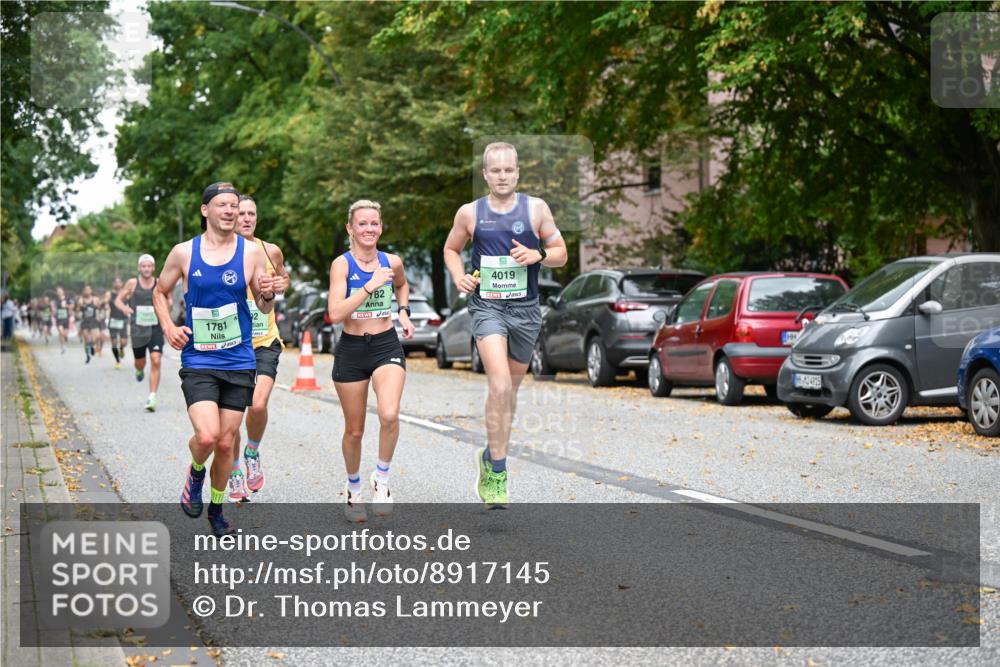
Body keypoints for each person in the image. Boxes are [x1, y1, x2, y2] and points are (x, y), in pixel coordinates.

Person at [443, 142, 568, 507]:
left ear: (517, 172)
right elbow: (451, 249)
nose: (502, 176)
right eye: (495, 170)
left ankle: (489, 455)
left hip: (526, 311)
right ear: (485, 174)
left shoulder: (536, 209)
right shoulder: (470, 213)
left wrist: (538, 255)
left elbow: (560, 253)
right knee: (498, 384)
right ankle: (498, 471)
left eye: (508, 170)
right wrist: (458, 277)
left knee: (508, 393)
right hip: (487, 308)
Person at [154, 182, 275, 537]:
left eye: (234, 206)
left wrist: (267, 294)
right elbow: (160, 292)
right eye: (222, 205)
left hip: (239, 361)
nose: (230, 211)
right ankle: (195, 473)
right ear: (205, 210)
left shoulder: (250, 253)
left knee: (226, 442)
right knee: (206, 437)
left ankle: (217, 509)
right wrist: (168, 327)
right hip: (200, 361)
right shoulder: (184, 252)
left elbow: (263, 304)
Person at [327, 199, 414, 522]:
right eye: (362, 223)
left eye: (374, 223)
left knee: (389, 414)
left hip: (385, 344)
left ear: (381, 227)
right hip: (351, 349)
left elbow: (402, 285)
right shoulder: (342, 265)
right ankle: (353, 489)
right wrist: (369, 285)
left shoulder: (391, 261)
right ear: (350, 228)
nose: (369, 229)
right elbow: (335, 313)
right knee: (354, 430)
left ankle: (383, 479)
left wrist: (403, 312)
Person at [227, 194, 289, 501]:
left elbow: (283, 277)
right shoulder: (223, 253)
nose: (247, 218)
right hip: (231, 346)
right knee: (233, 416)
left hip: (265, 341)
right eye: (241, 214)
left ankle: (252, 452)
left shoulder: (270, 250)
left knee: (259, 403)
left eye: (252, 213)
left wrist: (280, 285)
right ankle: (235, 471)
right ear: (231, 218)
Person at [116, 255, 165, 411]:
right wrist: (125, 308)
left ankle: (152, 397)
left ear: (153, 267)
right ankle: (139, 369)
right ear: (139, 268)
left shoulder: (159, 283)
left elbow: (167, 299)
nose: (146, 269)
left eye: (149, 266)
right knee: (141, 362)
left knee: (156, 360)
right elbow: (118, 300)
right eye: (143, 266)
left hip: (155, 328)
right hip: (138, 329)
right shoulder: (132, 283)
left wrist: (166, 314)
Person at [107, 278, 129, 369]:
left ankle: (122, 348)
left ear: (122, 283)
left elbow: (130, 303)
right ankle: (117, 361)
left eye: (119, 282)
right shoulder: (109, 294)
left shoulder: (125, 294)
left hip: (123, 320)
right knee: (114, 342)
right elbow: (105, 304)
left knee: (124, 342)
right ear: (113, 284)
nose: (117, 284)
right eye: (115, 282)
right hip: (113, 320)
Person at [75, 285, 101, 363]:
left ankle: (92, 346)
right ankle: (87, 356)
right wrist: (79, 311)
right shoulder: (80, 300)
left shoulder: (95, 299)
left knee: (95, 338)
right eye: (85, 290)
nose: (87, 291)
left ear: (91, 290)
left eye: (88, 289)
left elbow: (100, 309)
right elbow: (77, 311)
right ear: (83, 291)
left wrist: (99, 315)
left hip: (93, 321)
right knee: (87, 340)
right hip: (85, 322)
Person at [54, 286, 71, 353]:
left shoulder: (67, 299)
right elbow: (54, 308)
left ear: (63, 291)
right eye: (58, 291)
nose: (59, 292)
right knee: (61, 332)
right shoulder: (56, 300)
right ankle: (63, 347)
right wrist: (54, 311)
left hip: (66, 318)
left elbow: (72, 306)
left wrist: (66, 306)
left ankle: (65, 341)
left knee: (65, 334)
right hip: (59, 318)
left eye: (60, 290)